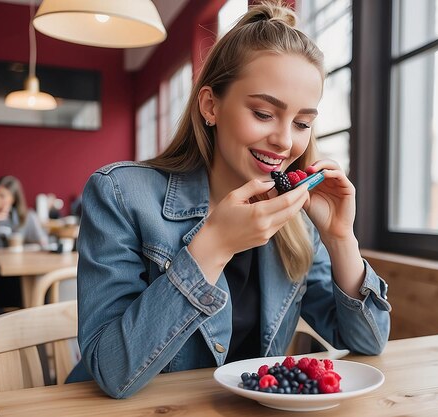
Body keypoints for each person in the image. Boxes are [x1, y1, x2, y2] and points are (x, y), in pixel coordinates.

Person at [67, 1, 391, 399]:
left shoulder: (297, 218)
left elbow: (367, 342)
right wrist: (214, 246)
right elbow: (110, 370)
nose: (286, 141)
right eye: (263, 112)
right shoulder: (120, 194)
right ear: (211, 105)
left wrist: (341, 239)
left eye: (303, 123)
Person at [0, 176, 48, 308]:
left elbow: (44, 244)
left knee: (41, 285)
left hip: (23, 273)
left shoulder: (27, 217)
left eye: (2, 196)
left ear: (14, 198)